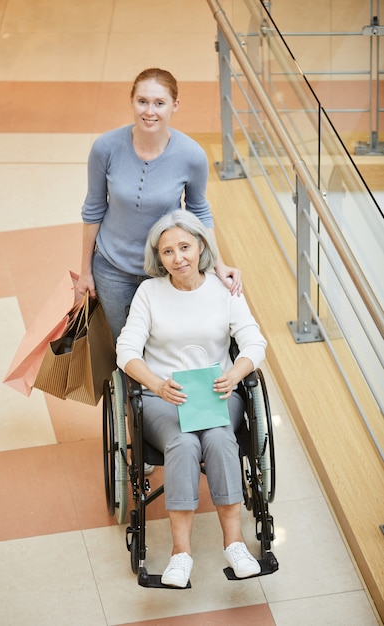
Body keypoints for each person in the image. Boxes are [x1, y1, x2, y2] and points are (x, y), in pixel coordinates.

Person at [116, 210, 267, 588]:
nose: (177, 257)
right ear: (159, 257)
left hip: (217, 393)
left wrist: (234, 373)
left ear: (201, 246)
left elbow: (254, 341)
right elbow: (126, 350)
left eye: (184, 246)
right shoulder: (149, 293)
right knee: (182, 443)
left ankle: (234, 546)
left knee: (218, 439)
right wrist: (157, 383)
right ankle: (180, 555)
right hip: (162, 396)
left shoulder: (224, 290)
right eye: (167, 251)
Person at [76, 67, 241, 344]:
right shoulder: (105, 148)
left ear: (175, 105)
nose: (149, 111)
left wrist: (218, 263)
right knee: (127, 345)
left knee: (166, 344)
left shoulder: (191, 155)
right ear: (132, 101)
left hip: (166, 269)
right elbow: (93, 209)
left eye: (159, 103)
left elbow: (199, 211)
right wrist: (85, 271)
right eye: (142, 101)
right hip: (112, 269)